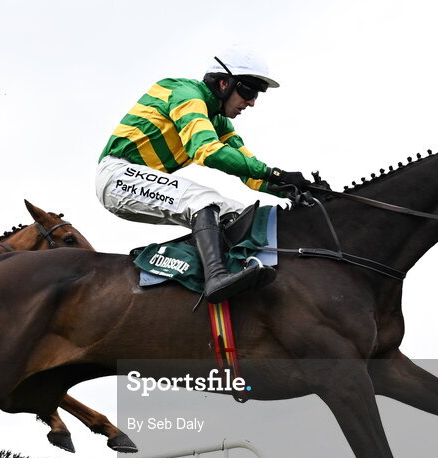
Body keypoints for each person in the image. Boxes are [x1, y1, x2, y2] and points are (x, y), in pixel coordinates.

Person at [96, 47, 315, 303]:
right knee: (204, 201)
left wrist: (290, 188)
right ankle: (215, 278)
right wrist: (275, 173)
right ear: (223, 83)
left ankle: (229, 276)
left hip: (142, 180)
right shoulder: (186, 94)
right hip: (117, 176)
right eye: (248, 91)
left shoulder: (219, 121)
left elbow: (250, 171)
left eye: (257, 94)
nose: (252, 102)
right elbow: (206, 150)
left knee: (237, 213)